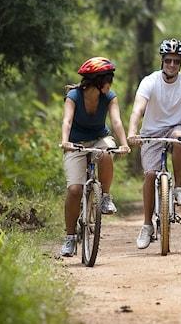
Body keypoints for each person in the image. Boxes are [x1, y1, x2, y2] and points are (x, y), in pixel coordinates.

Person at [127, 38, 181, 250]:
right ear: (162, 61)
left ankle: (178, 187)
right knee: (150, 175)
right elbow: (137, 110)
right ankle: (147, 225)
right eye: (168, 60)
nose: (171, 65)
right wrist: (133, 132)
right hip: (150, 132)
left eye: (176, 61)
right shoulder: (149, 81)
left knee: (180, 139)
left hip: (175, 127)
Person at [58, 56, 130, 257]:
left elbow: (116, 122)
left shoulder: (109, 97)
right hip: (76, 144)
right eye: (108, 78)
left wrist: (123, 143)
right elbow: (67, 121)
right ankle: (70, 237)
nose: (110, 83)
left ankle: (105, 196)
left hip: (100, 138)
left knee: (106, 152)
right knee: (74, 190)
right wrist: (65, 141)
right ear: (98, 81)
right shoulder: (73, 96)